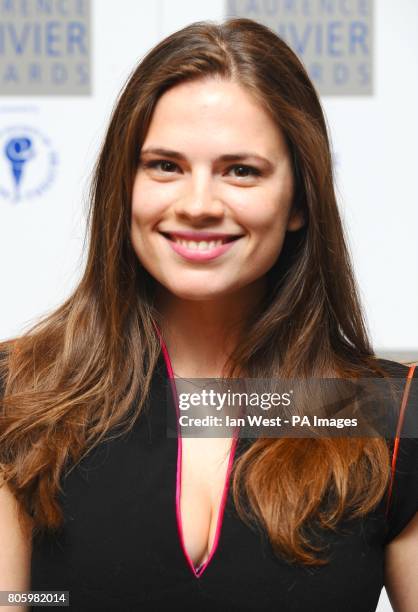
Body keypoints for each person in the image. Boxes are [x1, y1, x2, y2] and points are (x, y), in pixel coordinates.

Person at [0, 17, 417, 612]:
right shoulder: (21, 393)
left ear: (300, 199)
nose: (197, 204)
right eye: (165, 166)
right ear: (125, 186)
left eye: (240, 170)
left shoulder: (390, 414)